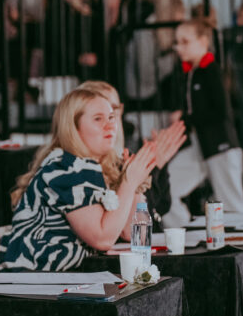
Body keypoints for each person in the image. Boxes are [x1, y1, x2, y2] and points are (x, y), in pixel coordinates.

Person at [0, 88, 157, 271]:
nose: (110, 126)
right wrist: (128, 183)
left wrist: (135, 184)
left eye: (111, 117)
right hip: (33, 278)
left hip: (64, 277)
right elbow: (102, 239)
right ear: (74, 128)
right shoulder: (65, 167)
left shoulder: (92, 166)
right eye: (98, 119)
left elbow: (131, 234)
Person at [165, 18, 243, 227]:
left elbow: (221, 112)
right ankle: (183, 232)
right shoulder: (191, 73)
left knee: (233, 203)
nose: (179, 48)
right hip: (200, 145)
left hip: (220, 146)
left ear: (203, 42)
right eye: (177, 42)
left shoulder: (211, 70)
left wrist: (185, 118)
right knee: (167, 187)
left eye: (185, 42)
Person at [79, 80, 186, 228]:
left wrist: (157, 166)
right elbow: (130, 228)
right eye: (99, 115)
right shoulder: (85, 166)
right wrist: (153, 168)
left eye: (115, 109)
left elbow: (161, 207)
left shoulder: (123, 155)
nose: (111, 119)